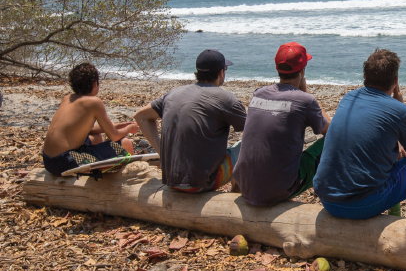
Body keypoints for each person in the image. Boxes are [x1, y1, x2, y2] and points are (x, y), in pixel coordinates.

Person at [313, 49, 406, 219]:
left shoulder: (349, 98)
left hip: (327, 200)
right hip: (361, 204)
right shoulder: (400, 111)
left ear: (365, 76)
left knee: (392, 153)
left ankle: (396, 212)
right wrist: (399, 105)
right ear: (395, 81)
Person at [134, 49, 247, 192]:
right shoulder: (226, 99)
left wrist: (162, 153)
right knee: (247, 146)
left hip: (171, 180)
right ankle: (235, 201)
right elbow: (254, 131)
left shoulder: (173, 94)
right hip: (200, 184)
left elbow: (141, 116)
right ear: (221, 73)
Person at [232, 42, 331, 206]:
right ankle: (334, 198)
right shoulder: (305, 100)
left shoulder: (259, 93)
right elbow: (330, 130)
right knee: (332, 141)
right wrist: (305, 91)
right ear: (302, 71)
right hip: (278, 190)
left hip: (245, 184)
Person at [42, 62, 138, 176]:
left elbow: (87, 129)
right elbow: (114, 136)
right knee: (125, 144)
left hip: (48, 161)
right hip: (65, 162)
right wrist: (130, 129)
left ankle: (93, 168)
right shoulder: (94, 102)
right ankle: (124, 178)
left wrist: (118, 125)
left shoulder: (68, 98)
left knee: (95, 138)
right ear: (94, 84)